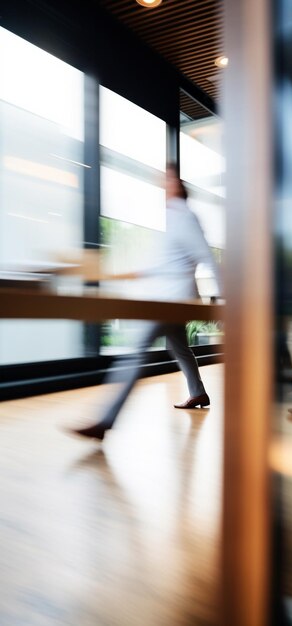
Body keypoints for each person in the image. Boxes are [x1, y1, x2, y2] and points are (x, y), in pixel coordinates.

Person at [68, 164, 222, 441]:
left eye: (167, 179)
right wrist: (119, 274)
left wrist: (223, 301)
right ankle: (198, 392)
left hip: (170, 300)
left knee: (135, 353)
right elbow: (160, 266)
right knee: (181, 349)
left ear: (177, 184)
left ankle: (105, 419)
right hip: (170, 299)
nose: (162, 184)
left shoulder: (184, 217)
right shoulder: (173, 219)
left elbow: (205, 256)